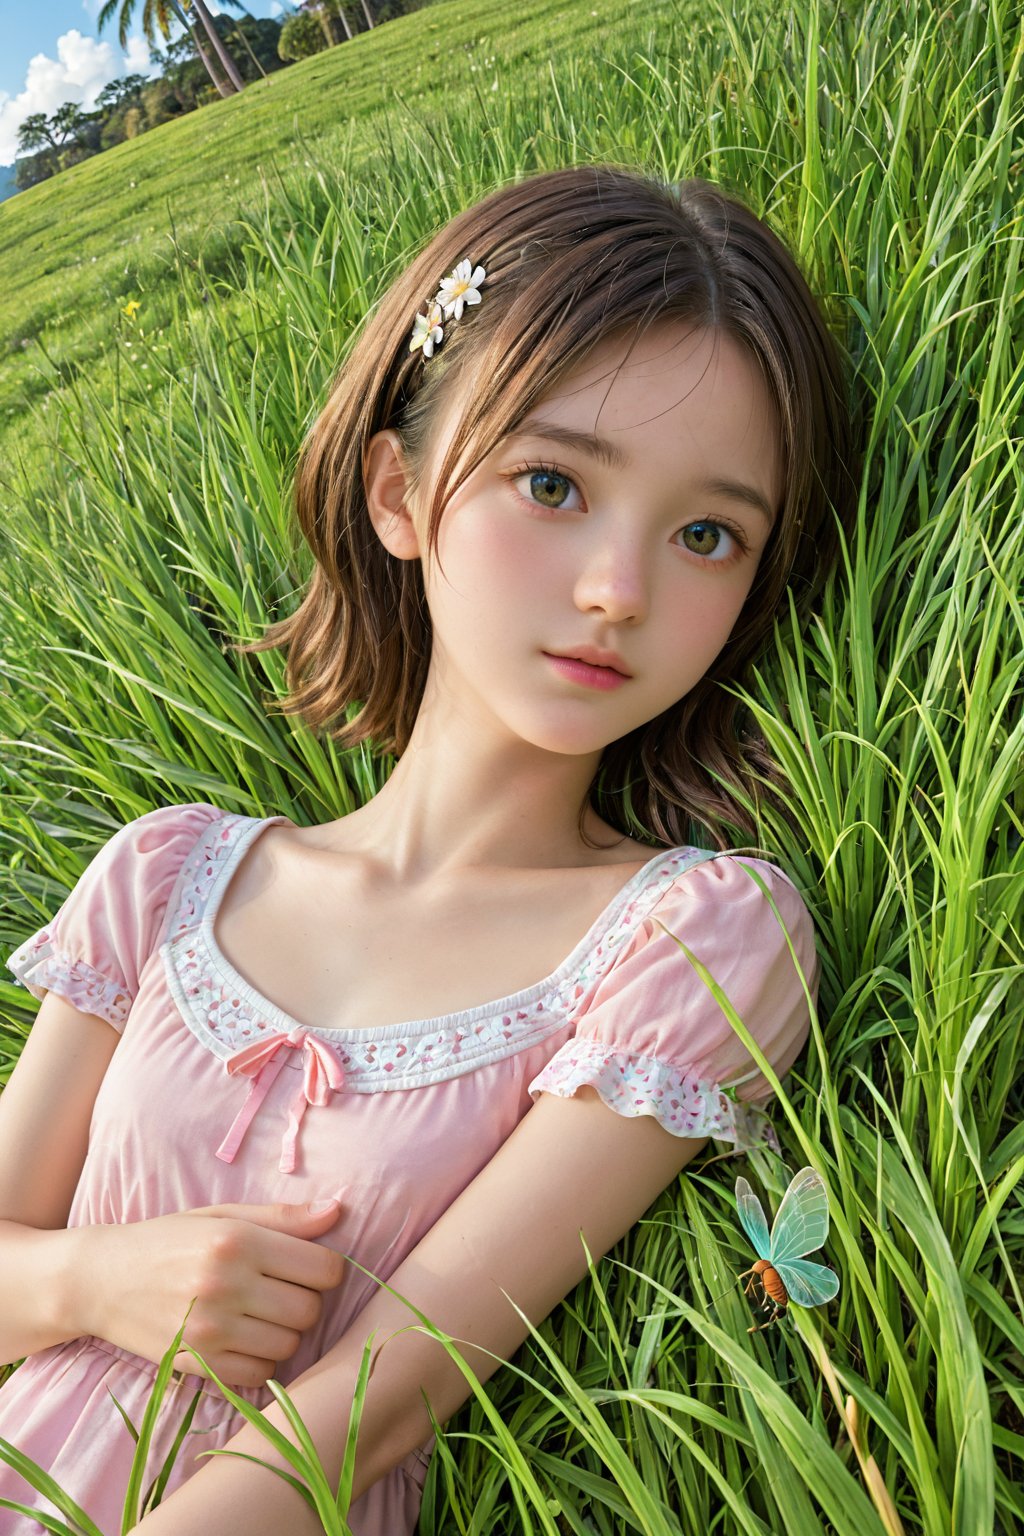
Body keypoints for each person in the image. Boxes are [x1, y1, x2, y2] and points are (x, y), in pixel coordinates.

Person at [0, 162, 857, 1536]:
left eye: (708, 534)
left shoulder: (694, 937)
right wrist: (95, 1285)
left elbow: (399, 1387)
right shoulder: (167, 877)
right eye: (553, 482)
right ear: (399, 494)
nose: (617, 590)